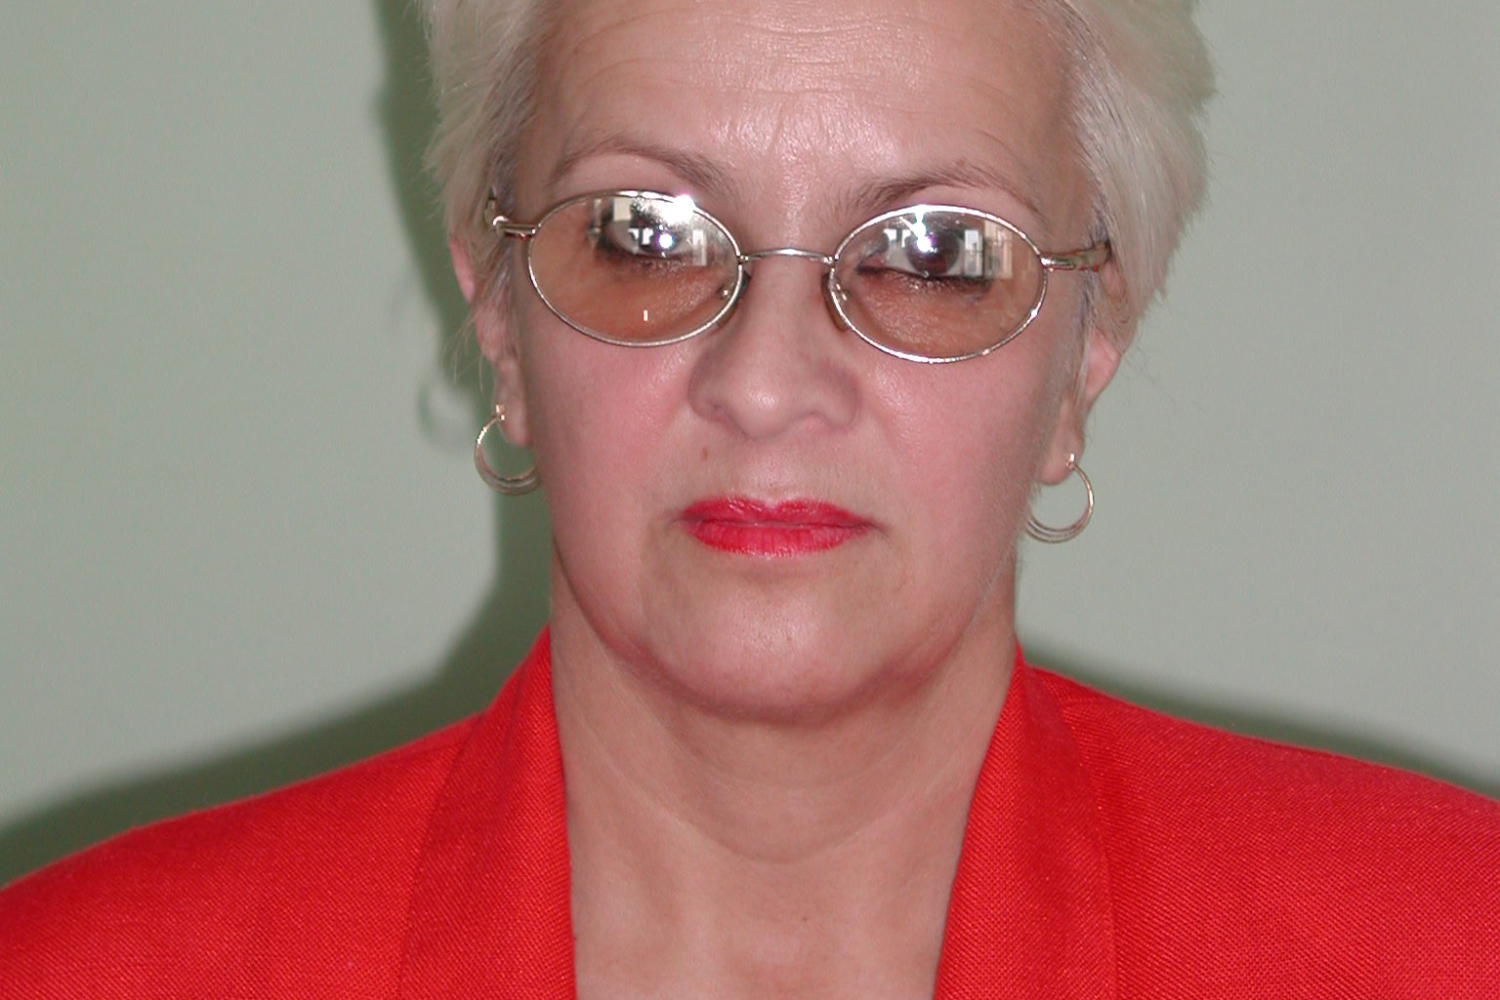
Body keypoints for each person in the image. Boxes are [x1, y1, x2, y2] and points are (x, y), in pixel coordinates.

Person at [2, 0, 1497, 995]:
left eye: (933, 251)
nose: (769, 385)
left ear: (1086, 344)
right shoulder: (80, 975)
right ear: (501, 317)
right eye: (644, 231)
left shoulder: (1446, 948)